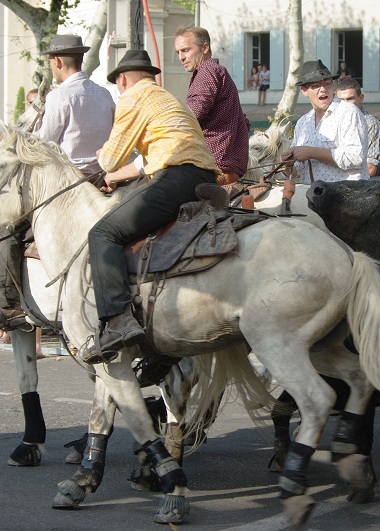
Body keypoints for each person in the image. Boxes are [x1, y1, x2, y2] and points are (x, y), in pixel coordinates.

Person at [83, 49, 220, 364]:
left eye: (118, 85)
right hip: (200, 177)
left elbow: (111, 158)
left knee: (104, 233)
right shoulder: (166, 99)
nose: (119, 90)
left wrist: (103, 159)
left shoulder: (132, 98)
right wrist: (113, 177)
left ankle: (117, 321)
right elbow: (146, 164)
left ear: (123, 79)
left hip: (176, 176)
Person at [0, 34, 116, 334]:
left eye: (51, 61)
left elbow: (42, 147)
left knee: (6, 229)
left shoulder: (59, 97)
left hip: (63, 186)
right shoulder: (104, 94)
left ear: (58, 61)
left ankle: (6, 306)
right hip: (99, 181)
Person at [174, 26, 251, 184]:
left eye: (186, 50)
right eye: (178, 52)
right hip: (222, 168)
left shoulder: (207, 71)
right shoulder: (216, 71)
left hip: (213, 170)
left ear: (205, 48)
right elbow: (244, 123)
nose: (181, 57)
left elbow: (192, 114)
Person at [280, 60, 368, 183]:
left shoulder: (349, 112)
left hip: (346, 197)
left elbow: (356, 157)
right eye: (315, 85)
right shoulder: (302, 123)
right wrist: (288, 167)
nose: (323, 89)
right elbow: (300, 174)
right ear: (304, 90)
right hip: (313, 198)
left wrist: (312, 152)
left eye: (327, 83)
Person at [336, 77, 380, 177]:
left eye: (350, 99)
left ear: (361, 98)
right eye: (341, 100)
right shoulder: (334, 122)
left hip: (368, 189)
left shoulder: (371, 125)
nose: (345, 104)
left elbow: (370, 168)